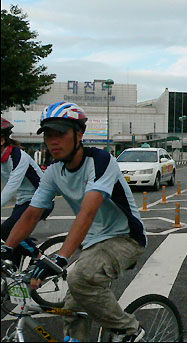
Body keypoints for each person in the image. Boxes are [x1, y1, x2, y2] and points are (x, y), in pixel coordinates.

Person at [1, 102, 147, 342]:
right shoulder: (53, 172)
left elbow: (87, 213)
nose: (53, 141)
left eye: (60, 133)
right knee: (72, 309)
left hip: (125, 238)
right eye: (48, 135)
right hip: (92, 243)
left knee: (79, 277)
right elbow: (31, 214)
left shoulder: (100, 161)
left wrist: (60, 258)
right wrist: (7, 248)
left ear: (79, 134)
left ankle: (129, 329)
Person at [1, 118, 53, 268]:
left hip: (41, 200)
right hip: (23, 202)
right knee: (12, 250)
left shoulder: (18, 157)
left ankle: (39, 257)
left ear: (2, 140)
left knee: (6, 231)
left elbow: (12, 186)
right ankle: (15, 282)